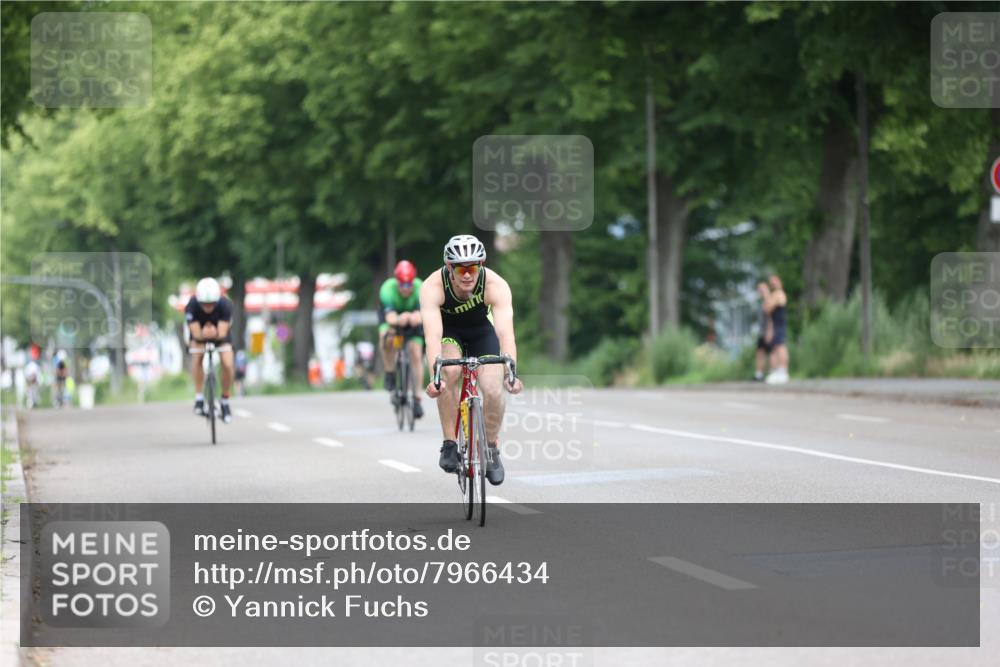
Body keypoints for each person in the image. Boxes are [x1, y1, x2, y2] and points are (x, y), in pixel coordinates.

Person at [421, 234, 523, 486]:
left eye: (473, 267)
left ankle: (490, 448)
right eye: (461, 268)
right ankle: (449, 443)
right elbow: (432, 336)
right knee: (449, 373)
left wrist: (512, 372)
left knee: (493, 389)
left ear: (482, 265)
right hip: (449, 333)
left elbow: (505, 334)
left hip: (481, 332)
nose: (467, 274)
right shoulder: (433, 287)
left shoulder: (495, 285)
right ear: (449, 268)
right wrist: (434, 378)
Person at [379, 260, 425, 419]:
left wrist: (415, 317)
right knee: (388, 339)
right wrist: (401, 319)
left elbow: (426, 313)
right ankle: (390, 372)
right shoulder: (387, 289)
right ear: (397, 282)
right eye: (402, 285)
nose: (406, 288)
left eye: (409, 284)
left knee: (416, 353)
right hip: (396, 325)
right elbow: (390, 318)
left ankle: (417, 398)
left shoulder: (421, 287)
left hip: (413, 325)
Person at [186, 277, 235, 422]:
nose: (208, 307)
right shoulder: (192, 305)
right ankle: (199, 398)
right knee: (197, 357)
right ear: (199, 301)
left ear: (217, 300)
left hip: (220, 334)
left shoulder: (225, 305)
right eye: (204, 304)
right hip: (199, 333)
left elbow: (222, 333)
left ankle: (225, 400)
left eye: (211, 304)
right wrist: (203, 334)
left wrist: (215, 333)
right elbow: (195, 334)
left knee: (227, 363)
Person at [765, 274, 789, 384]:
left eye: (775, 281)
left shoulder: (780, 294)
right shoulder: (773, 295)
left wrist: (767, 297)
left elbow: (768, 308)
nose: (773, 283)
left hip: (780, 324)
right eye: (771, 282)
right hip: (774, 325)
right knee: (774, 348)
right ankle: (775, 371)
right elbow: (767, 309)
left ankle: (783, 370)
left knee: (780, 346)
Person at [753, 281, 772, 381]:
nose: (760, 291)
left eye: (762, 289)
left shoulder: (769, 301)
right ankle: (759, 374)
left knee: (770, 353)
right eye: (759, 290)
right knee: (760, 352)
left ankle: (771, 373)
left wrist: (769, 331)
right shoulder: (762, 302)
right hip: (761, 331)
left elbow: (770, 318)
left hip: (767, 332)